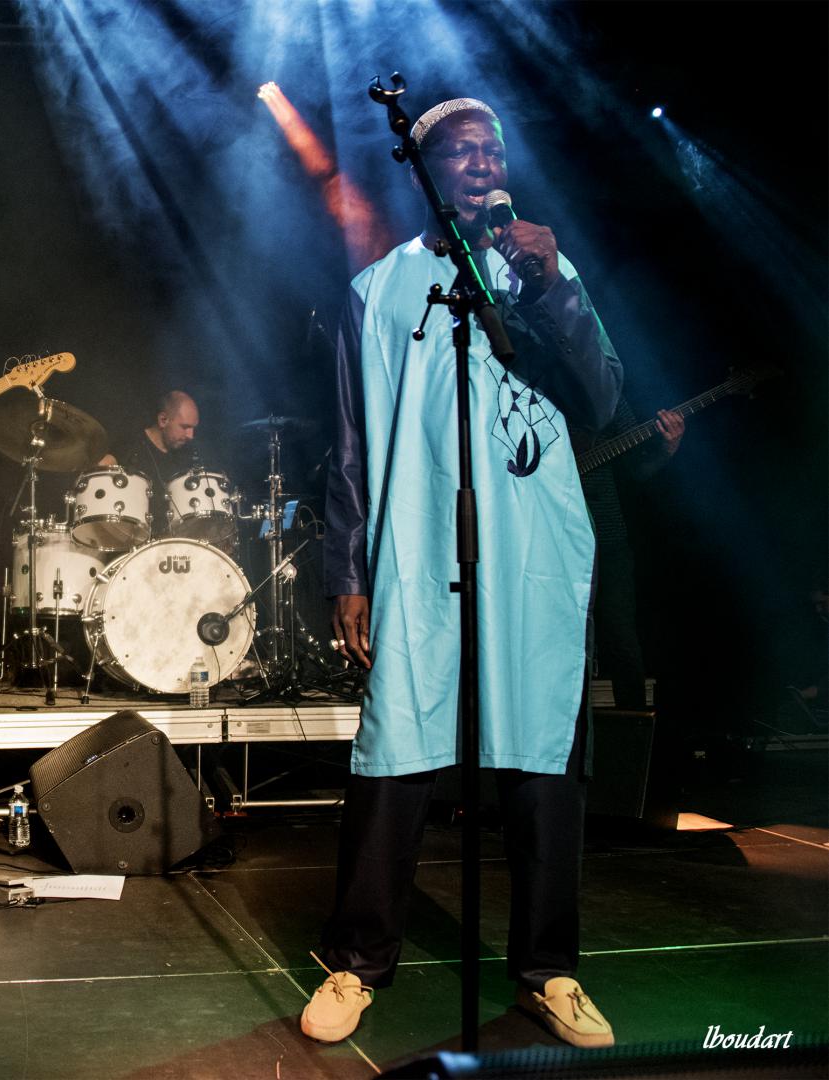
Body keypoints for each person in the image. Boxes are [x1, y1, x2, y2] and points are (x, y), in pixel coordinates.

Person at [305, 98, 623, 1049]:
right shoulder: (377, 289)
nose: (485, 164)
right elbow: (348, 444)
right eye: (462, 152)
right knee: (397, 746)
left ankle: (548, 971)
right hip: (414, 547)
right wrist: (347, 570)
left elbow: (603, 400)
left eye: (494, 150)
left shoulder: (543, 269)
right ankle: (356, 963)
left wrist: (553, 285)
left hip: (531, 552)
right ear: (425, 172)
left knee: (539, 756)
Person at [573, 399, 685, 709]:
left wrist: (667, 449)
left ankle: (632, 728)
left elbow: (638, 469)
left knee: (620, 638)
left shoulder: (608, 393)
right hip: (548, 536)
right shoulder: (531, 388)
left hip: (606, 537)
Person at [100, 389, 201, 535]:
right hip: (128, 538)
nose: (190, 435)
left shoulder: (188, 457)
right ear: (163, 420)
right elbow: (101, 470)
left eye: (193, 428)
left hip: (174, 542)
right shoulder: (130, 445)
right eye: (185, 427)